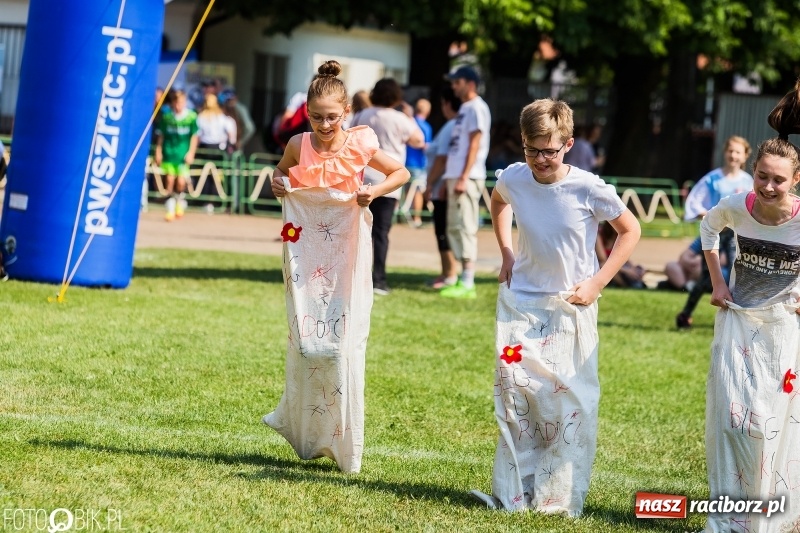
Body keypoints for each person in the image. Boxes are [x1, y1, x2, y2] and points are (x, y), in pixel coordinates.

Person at [471, 98, 640, 514]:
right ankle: (510, 495)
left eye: (550, 150)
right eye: (532, 150)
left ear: (568, 143)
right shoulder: (515, 176)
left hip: (570, 305)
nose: (541, 160)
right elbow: (498, 202)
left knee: (566, 402)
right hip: (521, 302)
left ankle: (557, 500)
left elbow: (630, 230)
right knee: (515, 395)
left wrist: (597, 283)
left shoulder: (588, 187)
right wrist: (507, 253)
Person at [262, 60, 410, 474]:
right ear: (307, 113)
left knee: (342, 347)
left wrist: (373, 190)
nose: (325, 125)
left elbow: (401, 172)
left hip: (348, 252)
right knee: (307, 343)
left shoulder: (360, 144)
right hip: (306, 254)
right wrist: (278, 183)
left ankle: (346, 440)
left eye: (332, 117)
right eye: (317, 117)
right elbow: (280, 173)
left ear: (346, 112)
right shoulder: (298, 144)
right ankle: (305, 429)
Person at [700, 80, 800, 532]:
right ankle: (735, 510)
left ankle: (775, 510)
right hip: (738, 326)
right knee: (735, 420)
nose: (768, 185)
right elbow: (708, 227)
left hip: (782, 332)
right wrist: (718, 281)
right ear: (753, 172)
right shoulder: (738, 206)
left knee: (768, 424)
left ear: (795, 180)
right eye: (762, 176)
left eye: (779, 179)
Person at [349, 78, 425, 295]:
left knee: (358, 230)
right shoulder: (400, 118)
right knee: (381, 233)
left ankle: (354, 276)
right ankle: (379, 280)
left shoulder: (363, 114)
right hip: (390, 179)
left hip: (362, 178)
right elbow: (418, 140)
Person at [676, 135, 753, 328]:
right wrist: (705, 214)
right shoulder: (713, 179)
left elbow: (754, 205)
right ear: (724, 153)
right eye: (730, 151)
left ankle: (738, 318)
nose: (733, 155)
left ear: (744, 157)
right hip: (714, 235)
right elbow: (695, 199)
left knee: (739, 273)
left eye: (738, 152)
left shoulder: (748, 181)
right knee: (707, 279)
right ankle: (685, 314)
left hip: (736, 236)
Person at [439, 65, 492, 299]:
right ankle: (462, 277)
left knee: (466, 226)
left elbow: (475, 143)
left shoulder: (477, 108)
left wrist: (462, 176)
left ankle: (468, 280)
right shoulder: (465, 109)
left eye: (457, 82)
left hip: (468, 176)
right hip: (457, 175)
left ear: (470, 83)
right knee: (454, 226)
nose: (453, 86)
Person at [424, 84, 462, 289]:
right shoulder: (454, 125)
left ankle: (450, 274)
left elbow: (442, 159)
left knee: (443, 231)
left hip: (442, 188)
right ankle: (447, 272)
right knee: (442, 230)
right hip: (442, 186)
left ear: (447, 104)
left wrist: (430, 184)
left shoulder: (451, 126)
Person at [153, 90, 198, 222]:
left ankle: (180, 200)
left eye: (182, 103)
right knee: (170, 181)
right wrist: (158, 151)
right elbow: (161, 136)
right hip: (169, 153)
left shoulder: (191, 117)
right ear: (173, 103)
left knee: (181, 182)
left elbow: (194, 136)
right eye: (177, 103)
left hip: (182, 154)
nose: (179, 105)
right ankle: (171, 208)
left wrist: (191, 152)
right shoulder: (167, 117)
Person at [402, 98, 434, 227]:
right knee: (418, 191)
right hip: (419, 164)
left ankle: (403, 217)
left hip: (405, 162)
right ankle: (416, 218)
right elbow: (426, 147)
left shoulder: (409, 123)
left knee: (405, 190)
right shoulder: (426, 127)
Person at [596, 221, 646, 288]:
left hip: (617, 265)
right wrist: (626, 271)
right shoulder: (599, 235)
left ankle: (634, 283)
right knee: (606, 267)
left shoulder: (619, 236)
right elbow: (603, 261)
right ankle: (623, 285)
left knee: (638, 268)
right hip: (605, 266)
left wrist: (633, 268)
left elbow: (624, 257)